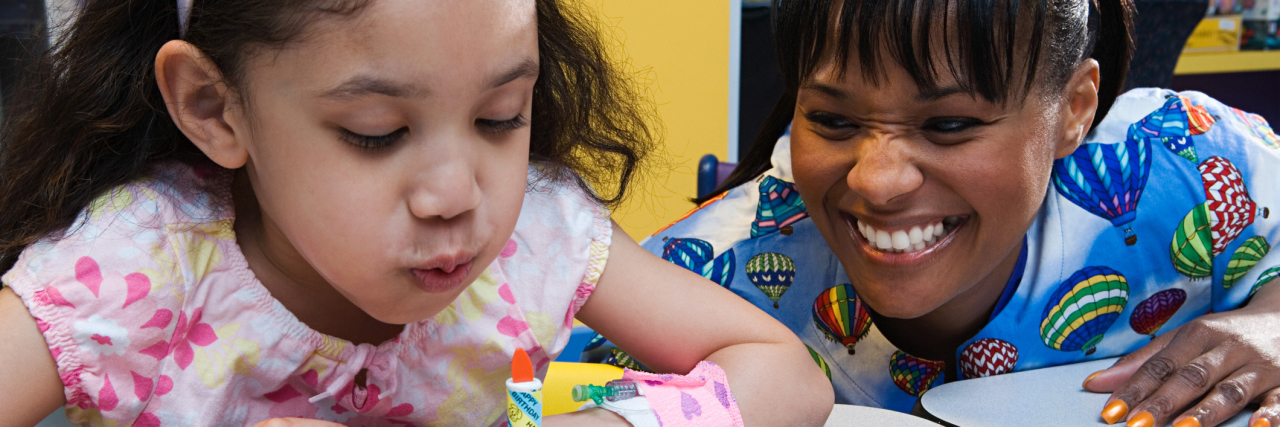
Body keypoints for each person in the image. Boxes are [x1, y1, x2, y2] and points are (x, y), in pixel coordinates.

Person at [0, 0, 833, 425]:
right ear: (216, 108)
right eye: (378, 132)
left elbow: (785, 372)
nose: (455, 196)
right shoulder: (138, 267)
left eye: (502, 116)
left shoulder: (534, 237)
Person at [610, 0, 1280, 426]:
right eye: (833, 119)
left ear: (1075, 109)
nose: (878, 180)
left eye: (950, 123)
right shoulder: (706, 279)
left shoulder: (1188, 163)